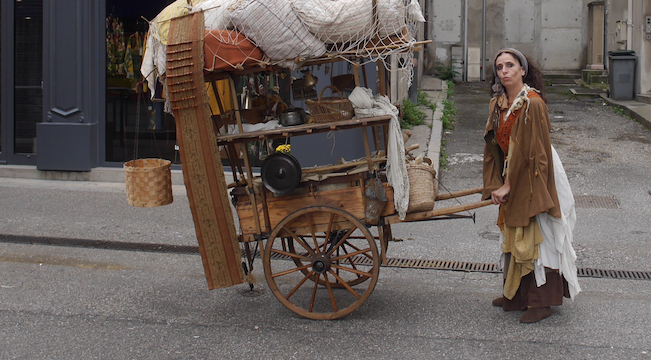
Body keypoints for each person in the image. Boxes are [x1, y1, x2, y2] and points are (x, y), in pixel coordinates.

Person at [482, 48, 581, 323]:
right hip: (512, 172)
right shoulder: (498, 103)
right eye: (499, 66)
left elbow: (537, 153)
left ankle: (541, 302)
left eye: (510, 65)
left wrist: (511, 185)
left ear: (522, 70)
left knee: (541, 236)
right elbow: (492, 145)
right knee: (513, 233)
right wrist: (497, 183)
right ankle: (514, 295)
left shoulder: (533, 103)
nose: (504, 70)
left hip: (539, 173)